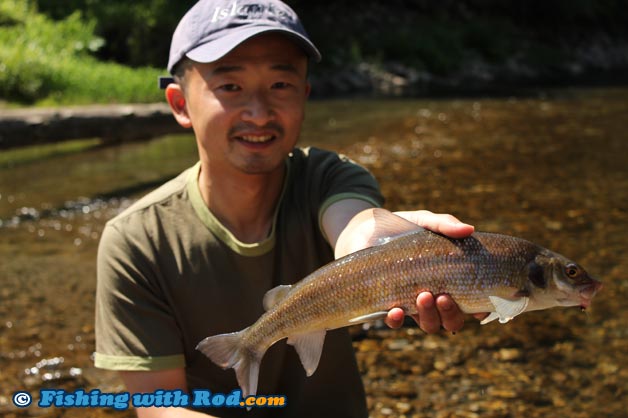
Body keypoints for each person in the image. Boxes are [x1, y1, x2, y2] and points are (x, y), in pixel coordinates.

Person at [94, 1, 479, 417]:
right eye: (231, 87)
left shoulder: (330, 177)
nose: (259, 113)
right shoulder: (136, 240)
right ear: (180, 103)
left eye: (280, 85)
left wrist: (374, 247)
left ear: (305, 95)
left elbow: (354, 222)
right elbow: (157, 407)